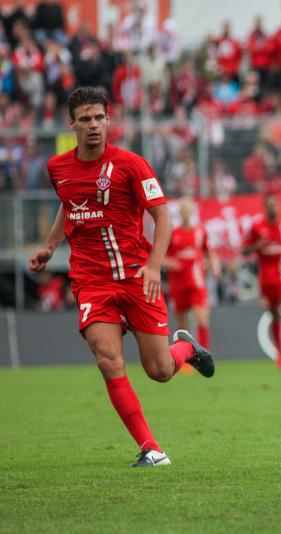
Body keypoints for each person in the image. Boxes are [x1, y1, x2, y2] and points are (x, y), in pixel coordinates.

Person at [29, 86, 214, 468]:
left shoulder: (132, 164)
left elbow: (163, 217)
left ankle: (185, 348)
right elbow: (69, 205)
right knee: (108, 360)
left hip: (136, 275)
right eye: (85, 119)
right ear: (71, 123)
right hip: (91, 280)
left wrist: (153, 265)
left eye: (99, 117)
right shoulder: (58, 168)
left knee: (159, 370)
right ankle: (151, 449)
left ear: (108, 119)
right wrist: (50, 246)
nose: (94, 125)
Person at [243, 193, 281, 374]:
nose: (272, 207)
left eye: (275, 203)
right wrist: (257, 246)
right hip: (267, 278)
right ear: (264, 207)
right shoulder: (256, 227)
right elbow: (245, 250)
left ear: (279, 206)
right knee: (275, 315)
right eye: (269, 204)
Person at [166, 197, 220, 365]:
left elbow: (209, 252)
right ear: (179, 212)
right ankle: (187, 360)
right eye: (183, 209)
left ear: (192, 211)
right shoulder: (173, 233)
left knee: (202, 319)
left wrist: (215, 266)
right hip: (178, 284)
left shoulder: (200, 232)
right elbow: (160, 257)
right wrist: (170, 262)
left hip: (197, 283)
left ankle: (204, 357)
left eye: (188, 209)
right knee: (182, 325)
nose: (185, 212)